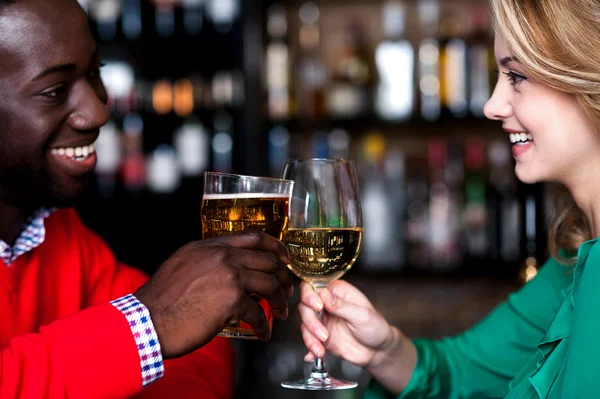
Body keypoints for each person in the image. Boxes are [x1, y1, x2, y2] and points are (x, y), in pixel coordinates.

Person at [299, 0, 600, 397]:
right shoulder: (575, 262)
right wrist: (383, 350)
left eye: (517, 76)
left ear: (586, 74)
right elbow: (465, 374)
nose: (491, 106)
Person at [0, 0, 293, 398]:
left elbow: (202, 352)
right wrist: (149, 324)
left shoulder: (56, 230)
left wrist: (148, 331)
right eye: (54, 90)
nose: (98, 113)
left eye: (94, 73)